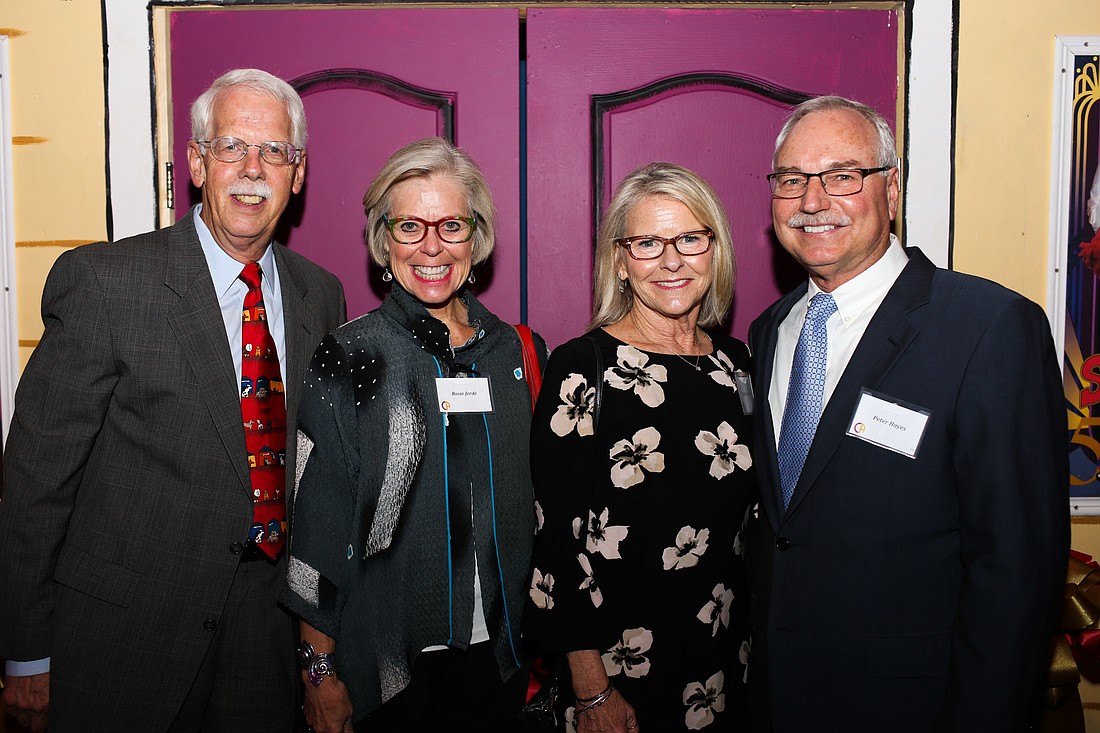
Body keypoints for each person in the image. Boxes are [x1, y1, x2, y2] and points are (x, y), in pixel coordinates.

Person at [0, 68, 346, 733]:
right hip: (123, 639)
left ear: (298, 173)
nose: (252, 168)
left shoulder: (320, 294)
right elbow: (37, 481)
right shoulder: (106, 282)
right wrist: (25, 650)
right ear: (196, 162)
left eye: (274, 151)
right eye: (230, 146)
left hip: (265, 641)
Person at [747, 95, 1068, 731]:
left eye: (843, 175)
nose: (813, 200)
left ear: (891, 189)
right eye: (792, 179)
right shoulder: (769, 331)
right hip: (776, 698)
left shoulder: (989, 327)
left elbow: (1016, 572)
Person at [281, 137, 546, 733]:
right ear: (384, 241)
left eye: (451, 225)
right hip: (389, 667)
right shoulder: (350, 356)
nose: (432, 247)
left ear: (476, 238)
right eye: (409, 227)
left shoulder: (514, 352)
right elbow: (318, 526)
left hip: (503, 659)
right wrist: (318, 673)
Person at [524, 162, 756, 732]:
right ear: (621, 262)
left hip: (725, 657)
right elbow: (556, 542)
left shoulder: (737, 365)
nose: (671, 260)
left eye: (690, 239)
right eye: (648, 243)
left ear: (715, 250)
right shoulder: (583, 368)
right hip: (619, 669)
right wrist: (591, 688)